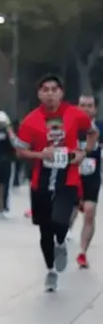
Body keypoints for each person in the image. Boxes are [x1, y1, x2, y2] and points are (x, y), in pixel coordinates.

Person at [13, 74, 98, 291]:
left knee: (60, 220)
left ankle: (61, 241)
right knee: (44, 230)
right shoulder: (31, 121)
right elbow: (20, 151)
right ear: (39, 94)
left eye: (54, 89)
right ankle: (51, 270)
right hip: (40, 182)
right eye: (45, 90)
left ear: (61, 93)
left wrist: (83, 152)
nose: (50, 94)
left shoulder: (74, 114)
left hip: (67, 179)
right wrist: (41, 155)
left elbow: (92, 132)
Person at [70, 95, 103, 268]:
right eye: (82, 105)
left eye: (89, 106)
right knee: (70, 212)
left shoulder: (100, 128)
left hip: (91, 177)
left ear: (95, 109)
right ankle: (62, 235)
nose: (85, 109)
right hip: (71, 176)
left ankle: (82, 252)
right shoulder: (71, 126)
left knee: (90, 212)